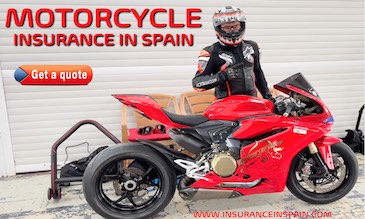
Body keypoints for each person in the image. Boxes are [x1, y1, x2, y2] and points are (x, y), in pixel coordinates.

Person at [192, 6, 273, 101]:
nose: (232, 30)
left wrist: (268, 96)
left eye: (236, 26)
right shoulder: (211, 52)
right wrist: (222, 76)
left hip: (251, 102)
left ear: (241, 25)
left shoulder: (252, 47)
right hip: (225, 107)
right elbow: (197, 84)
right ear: (219, 28)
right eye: (227, 27)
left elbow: (258, 72)